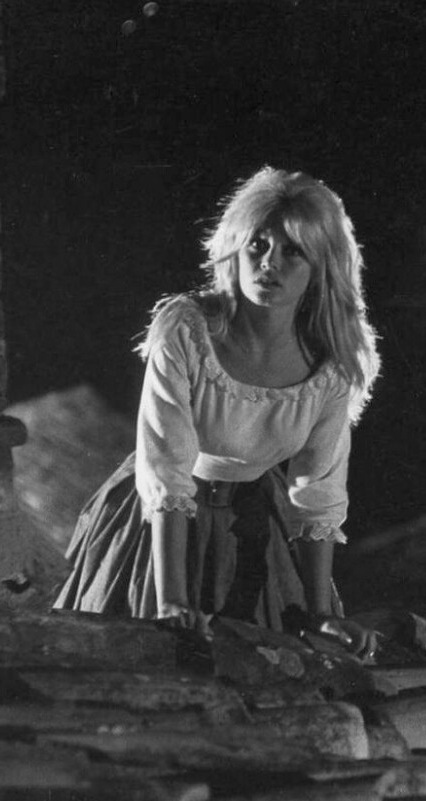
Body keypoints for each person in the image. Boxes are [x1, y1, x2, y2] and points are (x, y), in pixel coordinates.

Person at [53, 166, 381, 660]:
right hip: (158, 522)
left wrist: (320, 613)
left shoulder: (329, 370)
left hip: (252, 521)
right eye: (258, 245)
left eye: (293, 252)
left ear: (321, 268)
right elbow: (166, 465)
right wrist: (171, 599)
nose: (269, 263)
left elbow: (319, 491)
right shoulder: (187, 331)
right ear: (234, 248)